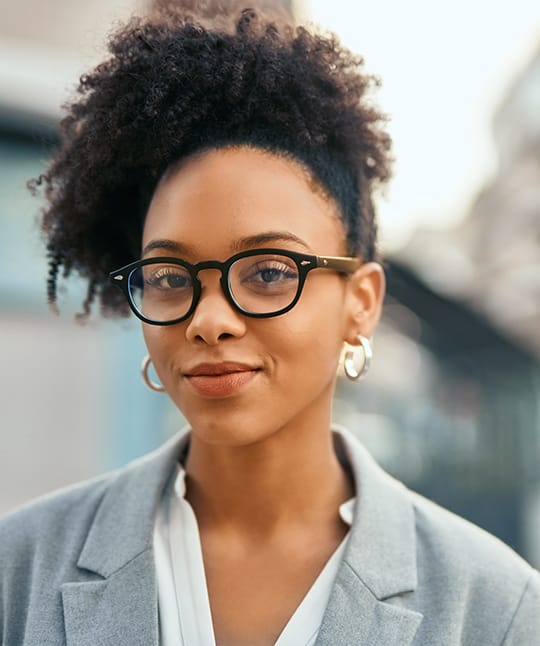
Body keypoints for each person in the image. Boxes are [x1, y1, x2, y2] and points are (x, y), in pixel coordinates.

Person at [1, 3, 539, 645]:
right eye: (170, 279)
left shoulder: (497, 607)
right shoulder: (19, 571)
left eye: (267, 272)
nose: (210, 320)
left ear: (360, 302)